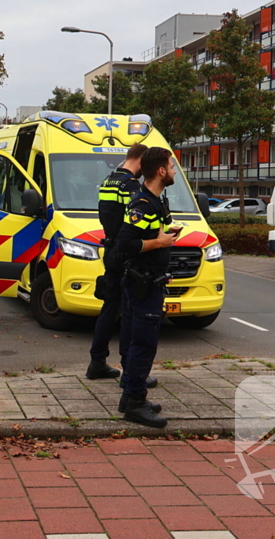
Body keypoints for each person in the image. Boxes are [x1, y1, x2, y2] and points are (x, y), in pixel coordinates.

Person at [114, 147, 181, 428]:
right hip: (143, 285)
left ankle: (131, 397)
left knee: (137, 341)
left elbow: (151, 235)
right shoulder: (142, 204)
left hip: (150, 280)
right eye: (172, 166)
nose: (175, 171)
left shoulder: (155, 201)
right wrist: (160, 243)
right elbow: (126, 243)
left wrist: (165, 239)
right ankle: (135, 404)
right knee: (143, 344)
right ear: (161, 171)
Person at [87, 143, 147, 380]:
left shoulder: (108, 182)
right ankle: (129, 370)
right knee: (129, 311)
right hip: (124, 253)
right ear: (140, 159)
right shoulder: (130, 185)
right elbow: (133, 222)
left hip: (109, 248)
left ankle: (97, 362)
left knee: (109, 308)